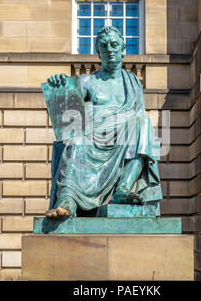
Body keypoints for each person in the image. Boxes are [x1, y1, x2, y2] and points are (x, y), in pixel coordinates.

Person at [44, 26, 162, 219]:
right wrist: (60, 85)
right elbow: (67, 109)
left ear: (123, 49)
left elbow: (138, 112)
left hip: (124, 135)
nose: (110, 49)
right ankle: (68, 200)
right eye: (104, 46)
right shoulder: (87, 81)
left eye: (114, 44)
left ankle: (123, 188)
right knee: (76, 142)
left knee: (142, 122)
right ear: (99, 53)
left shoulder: (132, 82)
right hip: (93, 134)